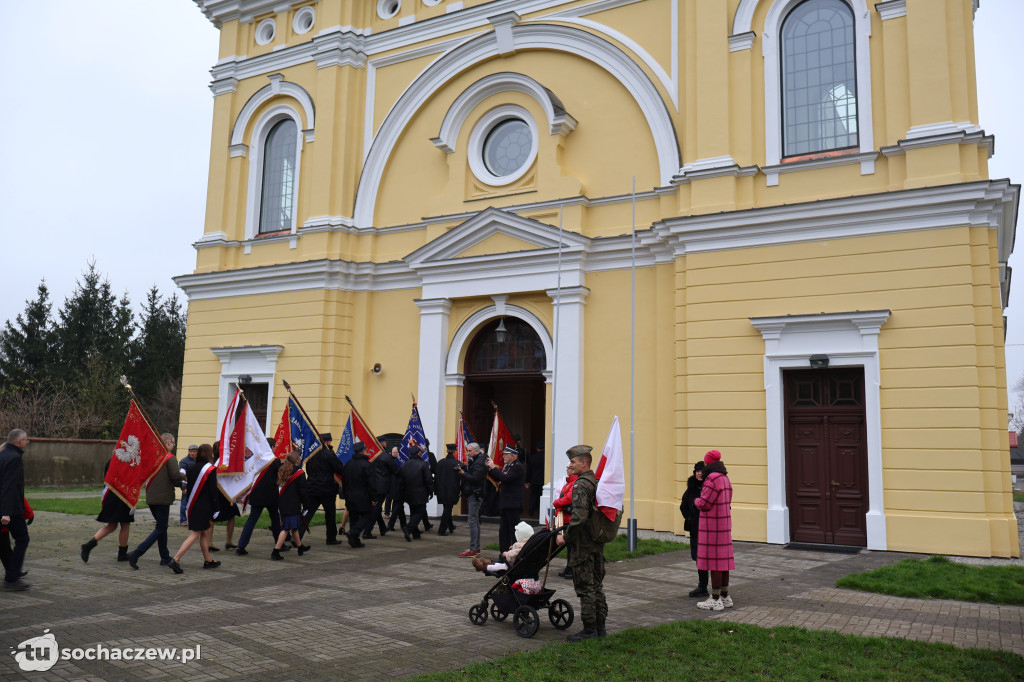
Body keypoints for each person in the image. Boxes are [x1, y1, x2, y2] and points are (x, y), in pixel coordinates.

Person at [556, 444, 609, 642]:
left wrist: (565, 537)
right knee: (596, 585)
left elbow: (579, 518)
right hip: (596, 541)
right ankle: (600, 627)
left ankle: (589, 630)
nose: (571, 465)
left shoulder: (581, 485)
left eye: (573, 462)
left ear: (584, 463)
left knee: (585, 587)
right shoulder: (596, 481)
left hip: (583, 544)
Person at [127, 433, 185, 569]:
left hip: (151, 497)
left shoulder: (153, 457)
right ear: (168, 443)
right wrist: (184, 476)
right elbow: (175, 476)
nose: (173, 446)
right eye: (173, 443)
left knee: (161, 527)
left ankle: (164, 557)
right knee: (160, 528)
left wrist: (180, 483)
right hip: (162, 498)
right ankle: (136, 553)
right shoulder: (169, 458)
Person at [167, 444, 222, 573]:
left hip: (193, 505)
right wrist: (216, 507)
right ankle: (175, 559)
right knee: (196, 533)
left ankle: (208, 560)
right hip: (204, 507)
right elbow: (213, 491)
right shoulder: (210, 469)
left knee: (204, 532)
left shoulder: (192, 468)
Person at [694, 449, 735, 611]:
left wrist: (696, 501)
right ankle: (725, 596)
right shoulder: (725, 478)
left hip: (712, 527)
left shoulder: (711, 478)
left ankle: (715, 599)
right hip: (724, 524)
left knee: (715, 563)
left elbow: (705, 503)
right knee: (723, 562)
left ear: (708, 463)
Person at [81, 459, 135, 563]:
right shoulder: (127, 463)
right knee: (125, 524)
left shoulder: (111, 462)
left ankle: (89, 545)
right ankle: (122, 554)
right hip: (123, 496)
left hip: (110, 496)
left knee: (112, 526)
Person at [235, 439, 283, 556]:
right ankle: (279, 544)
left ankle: (241, 545)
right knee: (275, 519)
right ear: (272, 447)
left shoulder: (256, 459)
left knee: (252, 520)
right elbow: (280, 475)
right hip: (271, 495)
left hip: (256, 493)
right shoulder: (275, 461)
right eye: (275, 446)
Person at [0, 430, 31, 590]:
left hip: (5, 506)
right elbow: (10, 486)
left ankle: (12, 573)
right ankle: (12, 578)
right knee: (22, 539)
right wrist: (6, 512)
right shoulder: (14, 458)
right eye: (26, 440)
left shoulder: (3, 454)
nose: (26, 443)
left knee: (3, 542)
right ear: (20, 441)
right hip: (10, 508)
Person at [303, 432, 346, 545]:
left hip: (312, 488)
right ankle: (331, 538)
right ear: (328, 442)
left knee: (307, 513)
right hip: (327, 489)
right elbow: (339, 468)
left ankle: (297, 535)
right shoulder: (329, 454)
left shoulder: (311, 454)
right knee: (330, 515)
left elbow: (308, 469)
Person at [486, 445, 525, 553]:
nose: (503, 456)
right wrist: (490, 468)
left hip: (512, 504)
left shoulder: (517, 466)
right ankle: (503, 554)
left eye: (506, 454)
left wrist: (493, 467)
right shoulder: (508, 466)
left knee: (513, 531)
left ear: (512, 456)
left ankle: (514, 553)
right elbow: (499, 477)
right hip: (506, 503)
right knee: (503, 532)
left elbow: (505, 478)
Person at [273, 451, 310, 560]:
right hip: (293, 505)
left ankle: (300, 547)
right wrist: (306, 505)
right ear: (297, 461)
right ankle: (275, 551)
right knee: (286, 529)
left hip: (283, 503)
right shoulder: (300, 474)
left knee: (294, 527)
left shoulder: (282, 470)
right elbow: (303, 492)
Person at [680, 460, 708, 598]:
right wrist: (690, 518)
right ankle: (702, 586)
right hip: (696, 528)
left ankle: (717, 587)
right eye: (697, 471)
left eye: (701, 471)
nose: (699, 473)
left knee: (710, 557)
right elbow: (683, 506)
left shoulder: (709, 487)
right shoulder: (691, 488)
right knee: (699, 557)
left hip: (708, 528)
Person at [456, 442, 486, 558]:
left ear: (477, 451)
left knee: (472, 520)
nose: (468, 453)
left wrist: (463, 473)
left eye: (470, 451)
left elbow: (475, 478)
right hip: (473, 492)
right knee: (475, 520)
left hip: (475, 493)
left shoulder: (479, 462)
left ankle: (473, 549)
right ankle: (476, 547)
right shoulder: (476, 460)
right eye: (467, 451)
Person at [342, 442, 375, 547]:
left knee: (353, 518)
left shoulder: (348, 464)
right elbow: (371, 483)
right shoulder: (367, 465)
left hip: (350, 495)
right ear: (363, 451)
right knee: (368, 516)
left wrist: (346, 495)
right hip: (363, 496)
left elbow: (344, 482)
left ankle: (354, 541)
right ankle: (353, 533)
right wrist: (374, 498)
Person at [398, 444, 433, 541]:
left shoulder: (404, 465)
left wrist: (403, 493)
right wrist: (430, 491)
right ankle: (408, 528)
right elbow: (428, 479)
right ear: (418, 453)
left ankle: (416, 534)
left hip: (408, 493)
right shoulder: (423, 464)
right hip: (420, 493)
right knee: (420, 512)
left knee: (413, 512)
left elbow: (401, 481)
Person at [552, 462, 578, 579]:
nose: (566, 470)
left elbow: (568, 498)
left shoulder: (574, 483)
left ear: (572, 469)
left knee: (572, 546)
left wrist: (556, 503)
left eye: (568, 468)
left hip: (570, 518)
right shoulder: (568, 483)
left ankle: (572, 570)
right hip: (565, 518)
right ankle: (569, 567)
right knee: (569, 546)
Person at [369, 440, 398, 537]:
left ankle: (382, 528)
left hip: (373, 485)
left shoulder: (372, 454)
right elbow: (395, 469)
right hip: (382, 486)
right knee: (377, 509)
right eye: (385, 442)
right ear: (383, 443)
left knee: (377, 507)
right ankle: (368, 531)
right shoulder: (385, 456)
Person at [434, 443, 461, 536]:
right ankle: (442, 530)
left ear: (447, 451)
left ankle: (451, 526)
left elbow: (436, 477)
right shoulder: (457, 463)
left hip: (441, 489)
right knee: (447, 510)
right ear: (454, 451)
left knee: (447, 508)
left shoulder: (440, 462)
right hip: (452, 490)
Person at [178, 444, 199, 526]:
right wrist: (183, 487)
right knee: (184, 504)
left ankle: (194, 520)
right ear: (188, 452)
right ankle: (183, 520)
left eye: (194, 451)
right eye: (191, 451)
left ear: (197, 452)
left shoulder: (199, 461)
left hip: (197, 487)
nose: (192, 453)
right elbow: (182, 475)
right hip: (187, 487)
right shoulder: (184, 462)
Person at [525, 441, 545, 517]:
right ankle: (540, 512)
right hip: (543, 480)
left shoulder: (532, 457)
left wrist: (527, 481)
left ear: (536, 448)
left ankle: (531, 509)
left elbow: (529, 470)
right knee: (541, 496)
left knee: (533, 496)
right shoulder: (545, 457)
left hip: (534, 480)